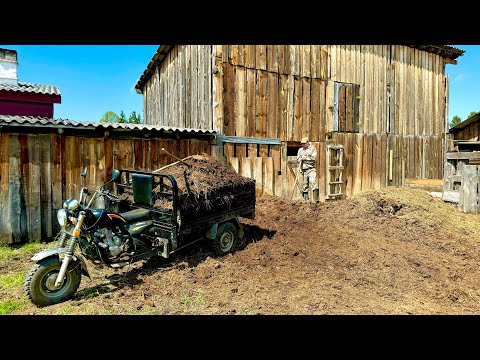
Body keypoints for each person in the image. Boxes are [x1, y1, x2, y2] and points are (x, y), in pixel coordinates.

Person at [297, 136, 319, 202]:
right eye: (302, 143)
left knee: (313, 183)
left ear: (308, 142)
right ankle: (306, 201)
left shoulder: (313, 149)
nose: (303, 144)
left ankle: (315, 201)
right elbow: (298, 159)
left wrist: (305, 158)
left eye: (304, 143)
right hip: (304, 169)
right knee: (305, 185)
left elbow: (314, 158)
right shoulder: (300, 150)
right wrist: (301, 159)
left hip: (311, 169)